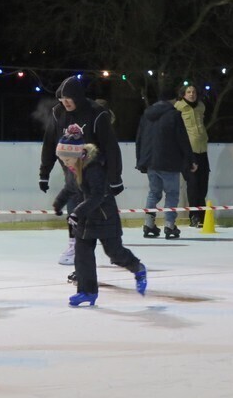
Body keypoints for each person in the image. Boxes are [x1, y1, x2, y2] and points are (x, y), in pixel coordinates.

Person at [56, 135, 147, 307]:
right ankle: (87, 291)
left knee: (115, 253)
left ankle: (138, 268)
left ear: (76, 155)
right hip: (85, 220)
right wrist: (59, 203)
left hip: (104, 217)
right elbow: (69, 188)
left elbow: (97, 196)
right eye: (62, 159)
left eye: (66, 159)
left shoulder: (93, 168)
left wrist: (76, 212)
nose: (65, 163)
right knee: (82, 256)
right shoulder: (72, 167)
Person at [39, 76, 124, 197]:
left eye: (69, 98)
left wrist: (115, 179)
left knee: (97, 213)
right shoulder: (58, 113)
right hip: (71, 178)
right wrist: (44, 174)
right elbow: (49, 143)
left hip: (96, 176)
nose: (65, 102)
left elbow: (110, 147)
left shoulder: (96, 112)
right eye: (62, 99)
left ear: (77, 97)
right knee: (75, 213)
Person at [135, 86, 197, 239]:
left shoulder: (147, 115)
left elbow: (139, 139)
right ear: (173, 99)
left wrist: (141, 160)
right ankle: (169, 225)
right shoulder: (174, 115)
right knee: (172, 193)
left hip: (150, 162)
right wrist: (190, 160)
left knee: (153, 193)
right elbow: (182, 139)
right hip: (169, 162)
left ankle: (148, 224)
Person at [175, 84, 210, 228]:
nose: (191, 94)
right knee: (193, 184)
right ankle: (194, 216)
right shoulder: (178, 107)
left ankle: (202, 216)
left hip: (203, 150)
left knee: (203, 184)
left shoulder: (201, 106)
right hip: (189, 152)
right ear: (183, 94)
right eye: (188, 92)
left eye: (194, 91)